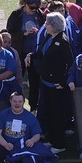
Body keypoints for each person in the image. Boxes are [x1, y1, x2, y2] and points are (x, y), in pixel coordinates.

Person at [29, 13, 74, 154]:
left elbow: (70, 64)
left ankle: (59, 143)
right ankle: (50, 139)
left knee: (56, 115)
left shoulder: (63, 41)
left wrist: (63, 82)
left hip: (56, 85)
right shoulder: (49, 37)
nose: (45, 26)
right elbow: (41, 53)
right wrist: (30, 55)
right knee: (47, 113)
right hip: (46, 82)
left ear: (54, 25)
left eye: (47, 23)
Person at [7, 0, 46, 109]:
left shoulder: (39, 14)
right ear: (24, 4)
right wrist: (23, 34)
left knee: (34, 82)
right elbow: (9, 32)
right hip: (20, 52)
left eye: (36, 7)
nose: (34, 10)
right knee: (17, 81)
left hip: (34, 53)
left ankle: (34, 107)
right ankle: (15, 106)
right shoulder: (16, 14)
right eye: (31, 7)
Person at [0, 92, 52, 162]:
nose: (17, 104)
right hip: (7, 144)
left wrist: (32, 140)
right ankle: (17, 159)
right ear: (10, 101)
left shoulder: (30, 117)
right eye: (15, 101)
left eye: (20, 101)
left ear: (23, 102)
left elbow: (37, 134)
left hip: (23, 146)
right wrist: (5, 144)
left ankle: (12, 159)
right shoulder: (3, 114)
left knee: (37, 148)